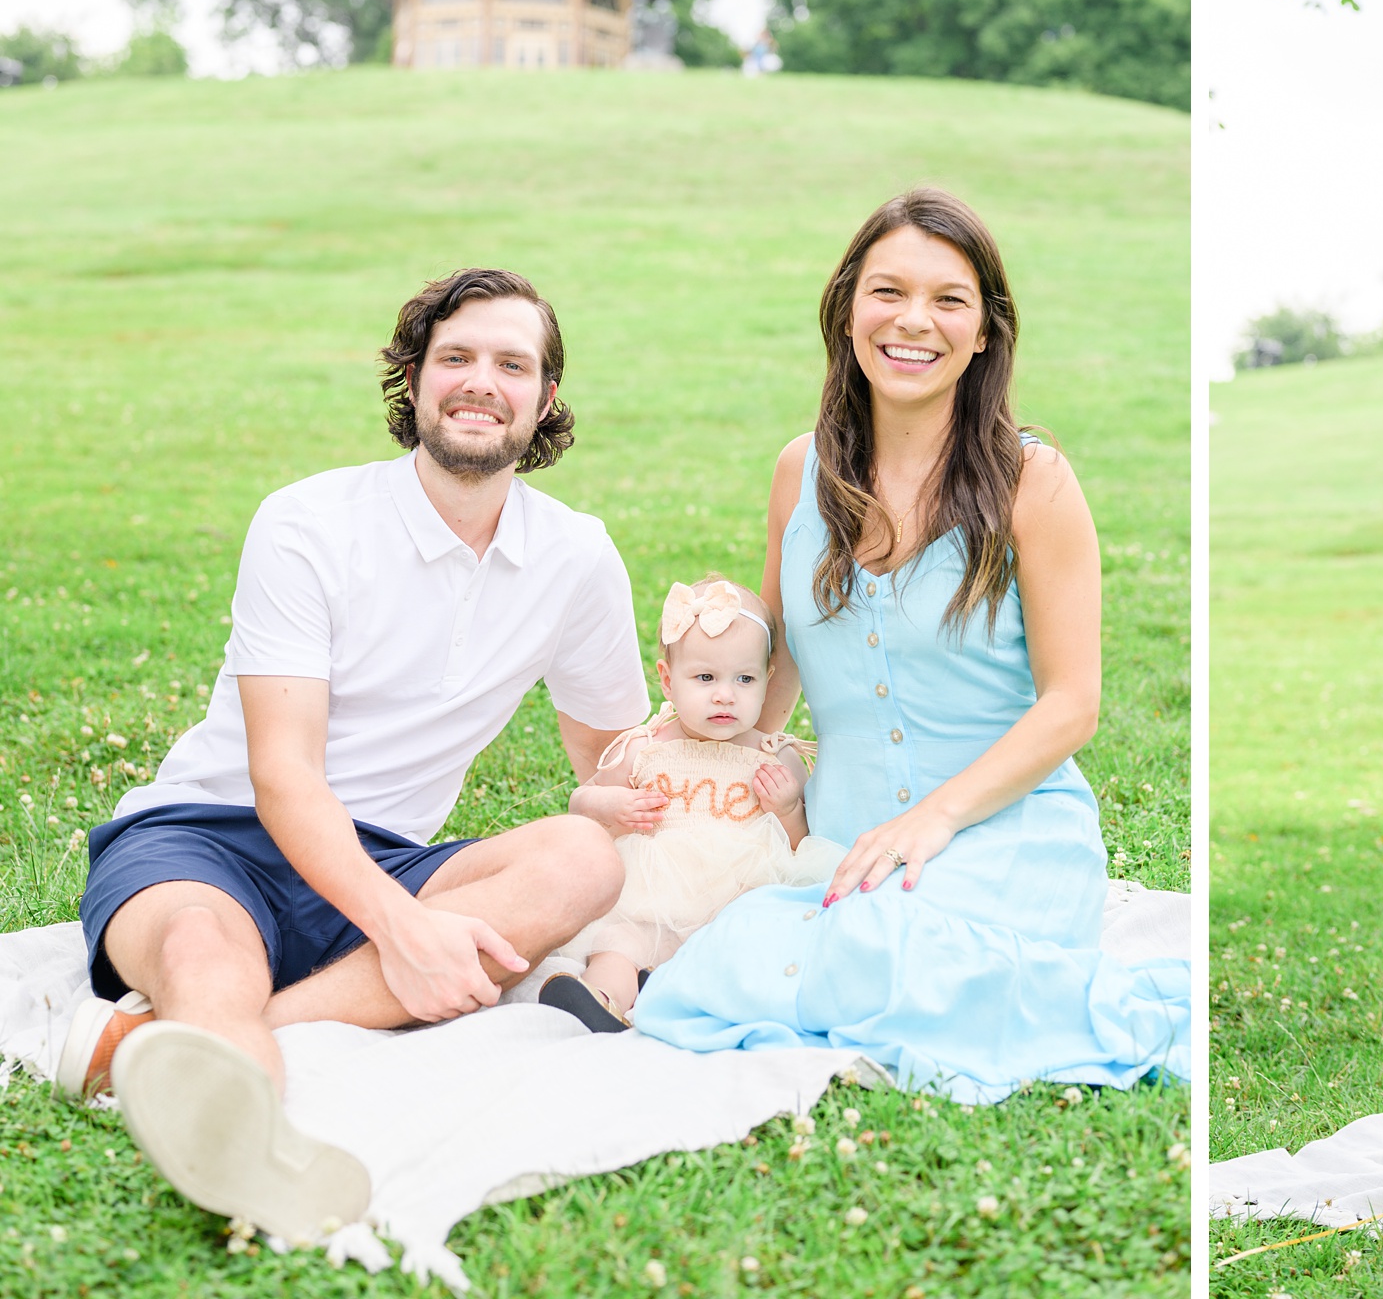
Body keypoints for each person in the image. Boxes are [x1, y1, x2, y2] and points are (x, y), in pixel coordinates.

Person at [52, 269, 649, 1244]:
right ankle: (255, 1148)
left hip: (384, 852)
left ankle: (160, 1048)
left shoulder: (577, 557)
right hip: (205, 840)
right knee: (209, 959)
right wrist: (405, 929)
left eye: (511, 363)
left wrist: (731, 749)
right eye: (454, 357)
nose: (479, 382)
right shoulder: (309, 521)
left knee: (583, 856)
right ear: (412, 379)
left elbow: (615, 766)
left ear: (545, 398)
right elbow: (282, 774)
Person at [631, 189, 1189, 1099]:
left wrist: (934, 818)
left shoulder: (1032, 482)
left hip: (1006, 832)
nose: (913, 321)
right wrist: (689, 749)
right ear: (849, 307)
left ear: (983, 333)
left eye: (949, 300)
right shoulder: (797, 472)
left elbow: (1072, 703)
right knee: (723, 959)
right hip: (848, 842)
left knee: (879, 948)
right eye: (887, 291)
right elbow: (777, 668)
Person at [538, 576, 841, 1031]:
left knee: (744, 947)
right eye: (705, 677)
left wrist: (787, 809)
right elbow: (582, 800)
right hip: (649, 895)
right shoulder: (646, 748)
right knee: (618, 944)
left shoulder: (777, 757)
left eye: (744, 678)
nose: (725, 694)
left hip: (735, 900)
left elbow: (799, 848)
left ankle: (677, 997)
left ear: (766, 681)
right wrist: (609, 805)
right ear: (667, 680)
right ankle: (603, 996)